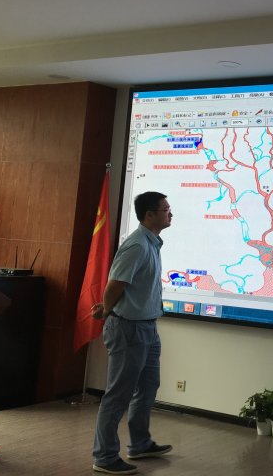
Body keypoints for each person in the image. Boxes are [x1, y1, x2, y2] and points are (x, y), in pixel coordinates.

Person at [90, 192, 174, 475]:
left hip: (148, 327)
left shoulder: (152, 242)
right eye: (165, 209)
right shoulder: (137, 245)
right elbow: (115, 284)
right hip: (129, 328)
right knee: (118, 395)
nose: (170, 214)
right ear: (149, 215)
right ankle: (104, 456)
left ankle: (139, 444)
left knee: (148, 386)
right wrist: (107, 309)